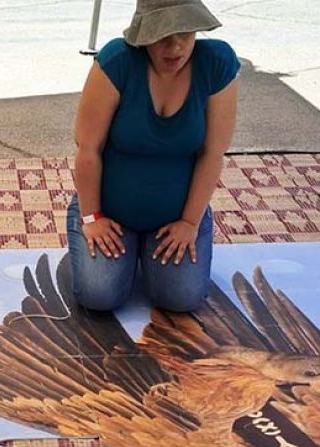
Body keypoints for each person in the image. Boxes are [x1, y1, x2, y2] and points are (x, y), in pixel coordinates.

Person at [70, 0, 239, 312]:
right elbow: (88, 149)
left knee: (182, 298)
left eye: (185, 34)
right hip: (109, 212)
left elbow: (213, 154)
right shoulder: (117, 60)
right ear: (144, 34)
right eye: (162, 36)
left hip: (176, 215)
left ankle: (146, 250)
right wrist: (92, 217)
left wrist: (190, 222)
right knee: (98, 295)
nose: (174, 48)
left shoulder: (216, 63)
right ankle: (121, 248)